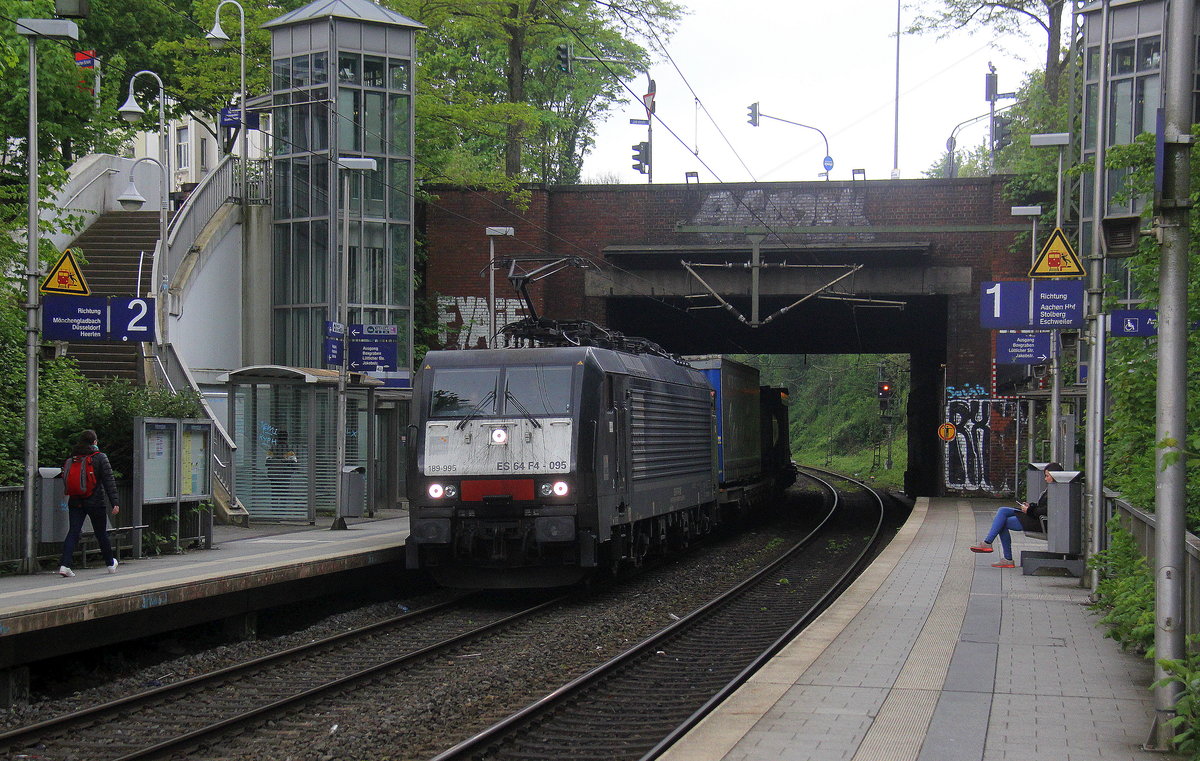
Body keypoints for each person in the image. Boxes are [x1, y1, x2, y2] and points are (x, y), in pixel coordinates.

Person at [969, 462, 1063, 568]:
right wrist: (1030, 506)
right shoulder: (1052, 489)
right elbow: (1043, 507)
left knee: (1002, 522)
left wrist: (1029, 510)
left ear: (1055, 475)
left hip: (1040, 522)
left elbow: (1047, 510)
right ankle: (991, 545)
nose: (1045, 479)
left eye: (1047, 476)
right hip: (1036, 517)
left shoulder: (1057, 491)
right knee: (1003, 510)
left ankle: (1001, 553)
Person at [58, 429, 120, 577]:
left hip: (76, 500)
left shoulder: (73, 458)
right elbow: (109, 481)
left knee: (73, 531)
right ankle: (110, 563)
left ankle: (64, 565)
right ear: (95, 442)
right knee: (101, 533)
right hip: (95, 501)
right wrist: (115, 502)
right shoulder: (100, 457)